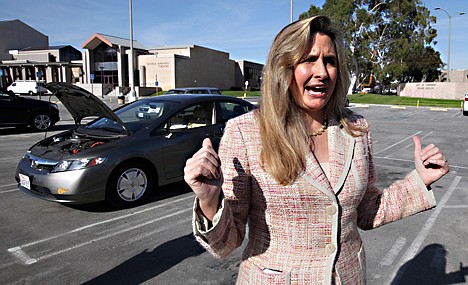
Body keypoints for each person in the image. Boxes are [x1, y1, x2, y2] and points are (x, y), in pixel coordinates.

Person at [184, 15, 449, 285]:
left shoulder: (356, 130)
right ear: (283, 68)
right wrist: (208, 200)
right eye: (309, 59)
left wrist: (420, 181)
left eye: (330, 61)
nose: (322, 71)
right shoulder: (246, 133)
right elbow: (227, 243)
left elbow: (368, 210)